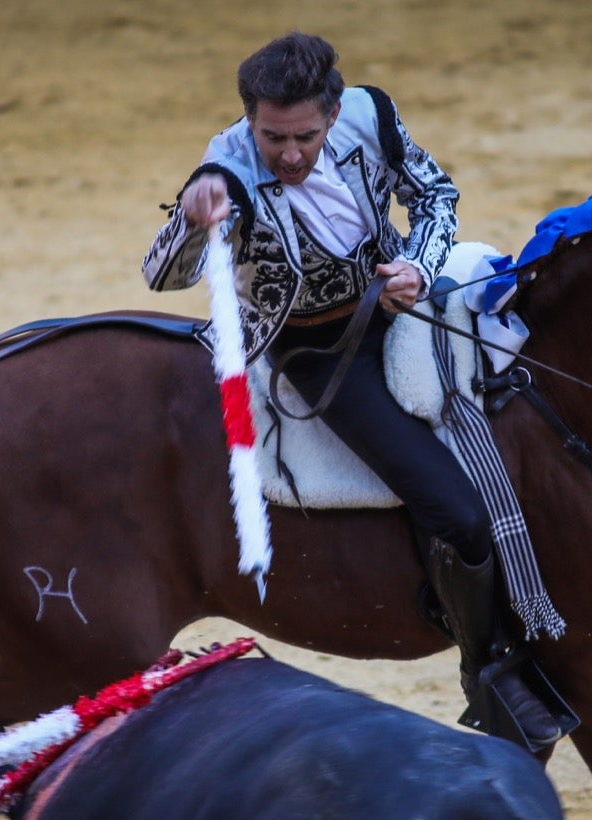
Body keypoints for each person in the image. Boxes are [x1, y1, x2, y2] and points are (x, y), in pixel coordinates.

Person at [142, 31, 565, 750]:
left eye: (304, 135)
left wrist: (421, 272)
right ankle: (492, 672)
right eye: (272, 136)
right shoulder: (228, 166)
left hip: (402, 302)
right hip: (317, 350)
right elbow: (161, 276)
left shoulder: (372, 115)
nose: (291, 154)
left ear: (333, 114)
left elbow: (435, 195)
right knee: (457, 512)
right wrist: (191, 213)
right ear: (251, 121)